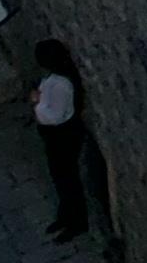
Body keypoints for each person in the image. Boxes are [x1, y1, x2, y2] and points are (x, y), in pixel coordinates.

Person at [31, 40, 87, 242]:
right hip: (58, 137)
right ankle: (65, 216)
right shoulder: (56, 79)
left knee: (68, 180)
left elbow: (54, 117)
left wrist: (36, 103)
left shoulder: (62, 85)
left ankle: (77, 222)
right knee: (60, 178)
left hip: (63, 137)